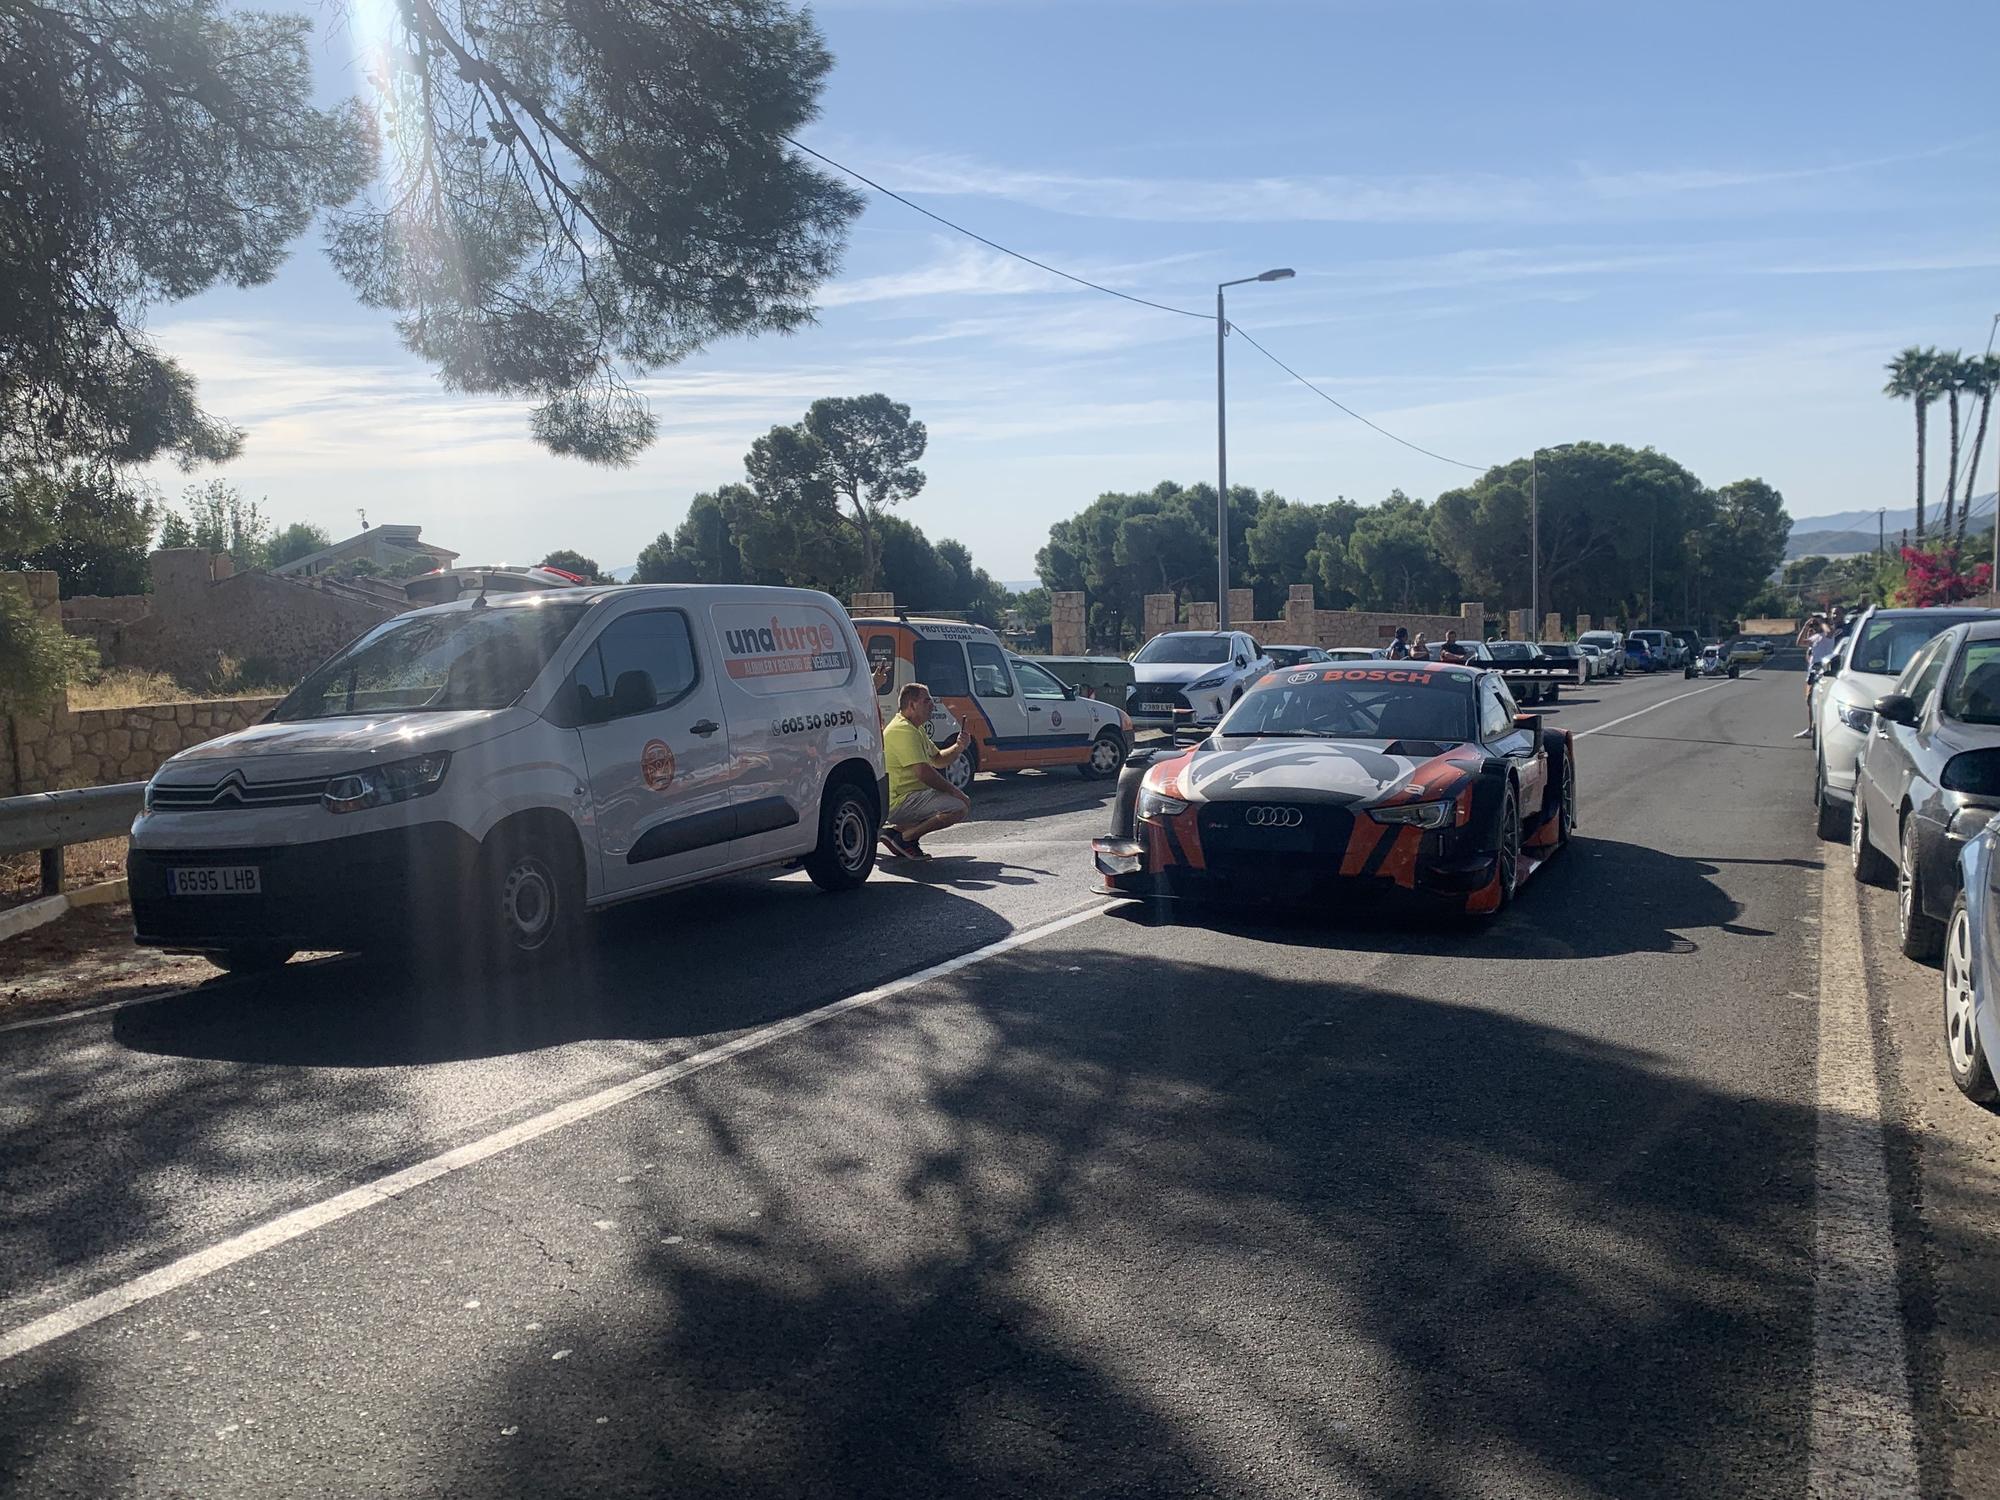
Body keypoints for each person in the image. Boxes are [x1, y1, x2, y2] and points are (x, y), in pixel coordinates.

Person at [880, 682, 969, 859]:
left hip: (911, 797)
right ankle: (906, 838)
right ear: (912, 705)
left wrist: (958, 747)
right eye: (927, 701)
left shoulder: (914, 728)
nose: (932, 705)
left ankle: (894, 833)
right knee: (959, 806)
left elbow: (937, 760)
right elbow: (923, 772)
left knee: (951, 801)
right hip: (900, 800)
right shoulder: (902, 730)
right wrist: (954, 791)